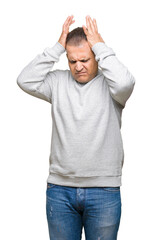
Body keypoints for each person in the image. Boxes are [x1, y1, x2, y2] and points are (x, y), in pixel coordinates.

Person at [16, 15, 135, 240]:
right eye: (72, 61)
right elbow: (25, 80)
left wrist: (99, 44)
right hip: (60, 190)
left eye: (85, 59)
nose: (78, 66)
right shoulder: (56, 82)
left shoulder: (112, 87)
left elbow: (125, 82)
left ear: (97, 57)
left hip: (104, 190)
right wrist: (57, 47)